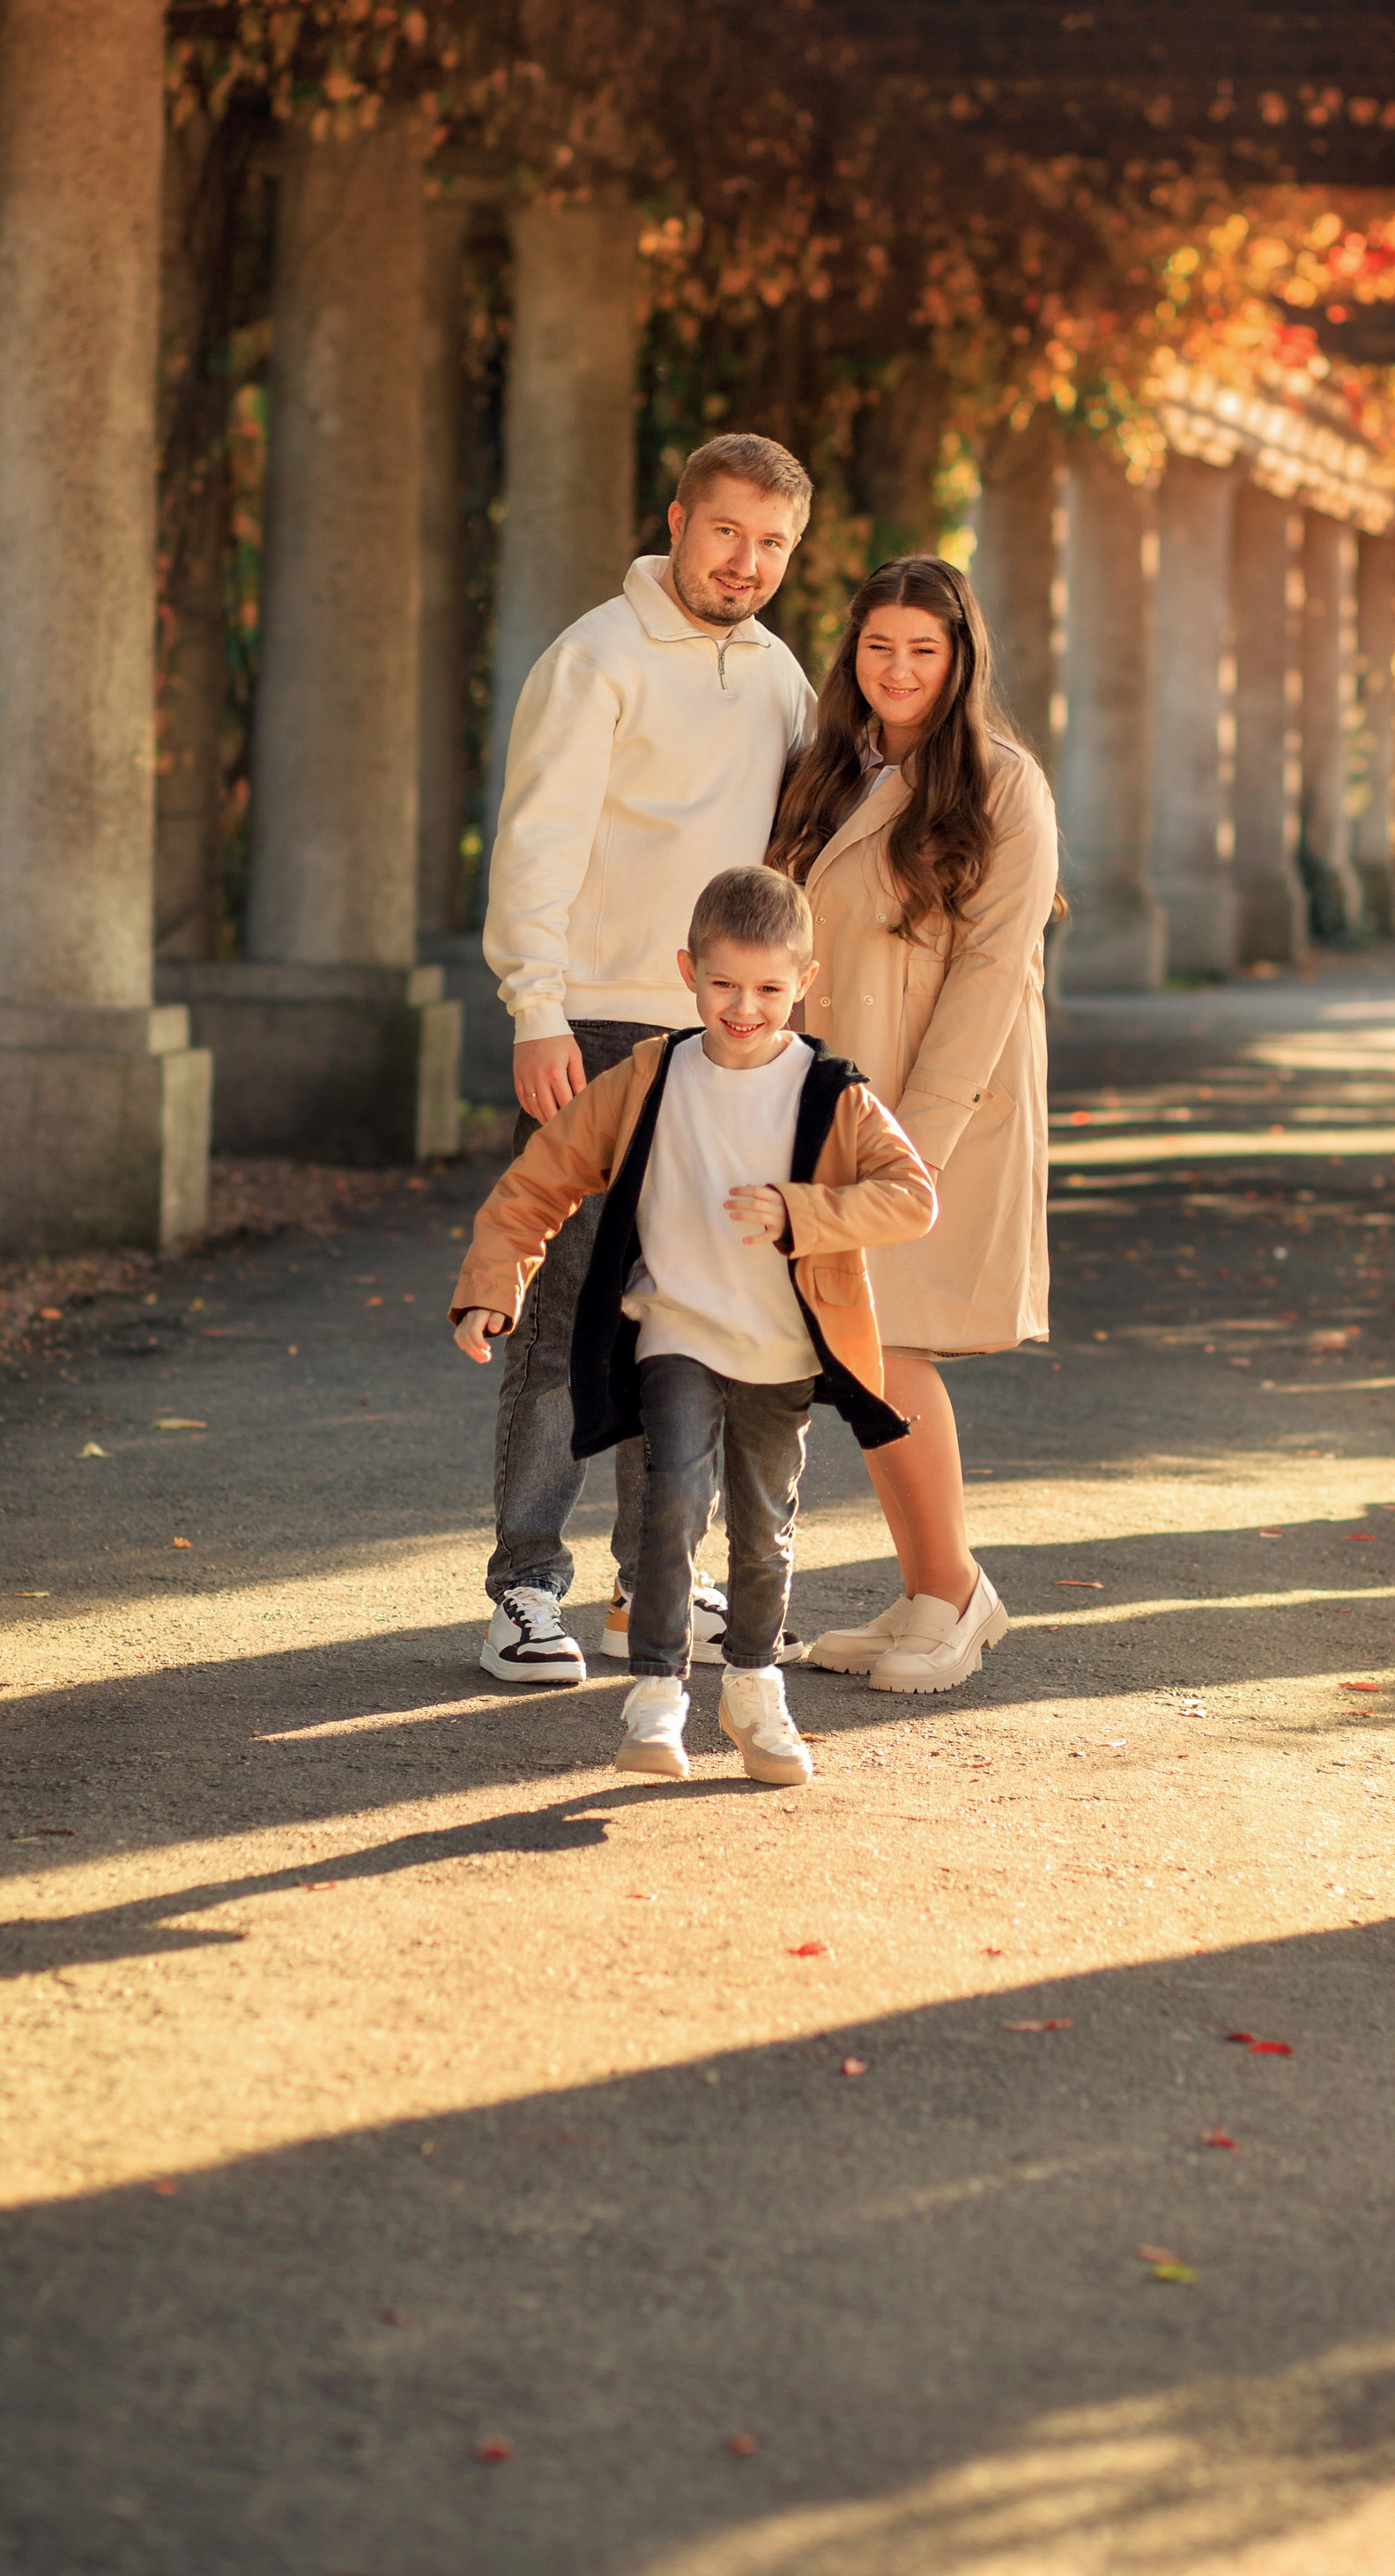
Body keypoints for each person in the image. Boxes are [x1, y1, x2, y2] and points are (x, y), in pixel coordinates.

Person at [452, 865, 936, 1780]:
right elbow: (541, 1177)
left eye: (767, 989)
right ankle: (655, 1697)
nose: (743, 1008)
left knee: (764, 1530)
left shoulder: (830, 1090)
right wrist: (492, 1283)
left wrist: (800, 1211)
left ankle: (753, 1691)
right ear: (687, 971)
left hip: (781, 1348)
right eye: (722, 984)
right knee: (671, 1499)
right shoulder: (649, 1075)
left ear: (803, 981)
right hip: (673, 1330)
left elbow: (911, 1197)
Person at [476, 432, 818, 1684]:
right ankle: (524, 1590)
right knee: (566, 1320)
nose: (745, 561)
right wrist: (535, 1007)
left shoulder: (780, 675)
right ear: (677, 521)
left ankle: (652, 1587)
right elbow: (540, 841)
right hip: (597, 1029)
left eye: (772, 542)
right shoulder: (596, 656)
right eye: (726, 530)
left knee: (686, 1322)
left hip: (724, 1034)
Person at [768, 552, 1058, 1695]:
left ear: (958, 659)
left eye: (922, 650)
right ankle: (929, 1588)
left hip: (946, 1108)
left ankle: (952, 1593)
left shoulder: (1003, 785)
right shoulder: (826, 772)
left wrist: (912, 1144)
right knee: (858, 1346)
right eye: (878, 646)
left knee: (890, 1345)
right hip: (831, 1095)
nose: (897, 669)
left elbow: (991, 974)